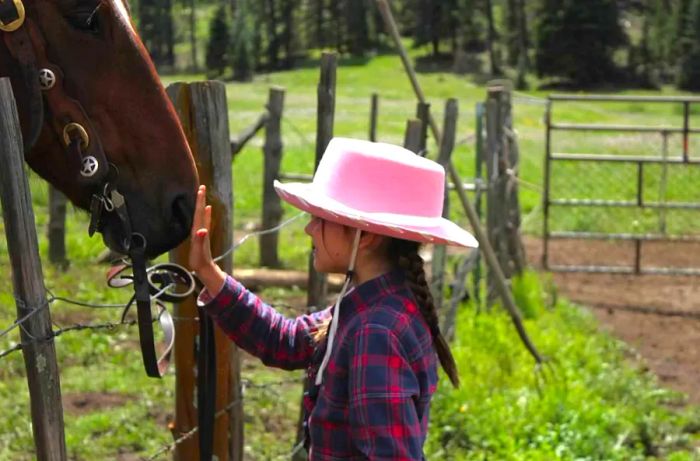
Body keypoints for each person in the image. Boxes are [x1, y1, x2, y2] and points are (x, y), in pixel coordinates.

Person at [189, 137, 478, 460]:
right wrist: (207, 271)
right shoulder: (378, 304)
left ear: (364, 235)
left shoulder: (375, 331)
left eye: (322, 219)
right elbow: (286, 341)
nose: (309, 229)